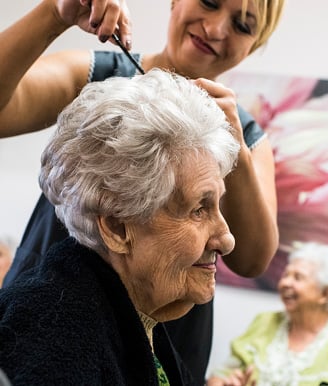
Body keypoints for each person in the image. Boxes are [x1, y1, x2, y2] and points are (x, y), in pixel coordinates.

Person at [0, 0, 283, 383]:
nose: (216, 29)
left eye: (243, 25)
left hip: (166, 326)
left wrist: (236, 149)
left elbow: (252, 259)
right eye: (210, 2)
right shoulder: (99, 79)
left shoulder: (243, 133)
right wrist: (55, 13)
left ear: (255, 43)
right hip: (57, 319)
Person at [0, 68, 240, 385]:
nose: (227, 240)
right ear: (117, 228)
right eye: (198, 209)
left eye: (217, 206)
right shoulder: (52, 340)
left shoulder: (137, 320)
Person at [207, 242, 328, 386]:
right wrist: (225, 382)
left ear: (325, 294)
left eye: (298, 277)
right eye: (285, 275)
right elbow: (218, 377)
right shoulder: (264, 322)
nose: (285, 283)